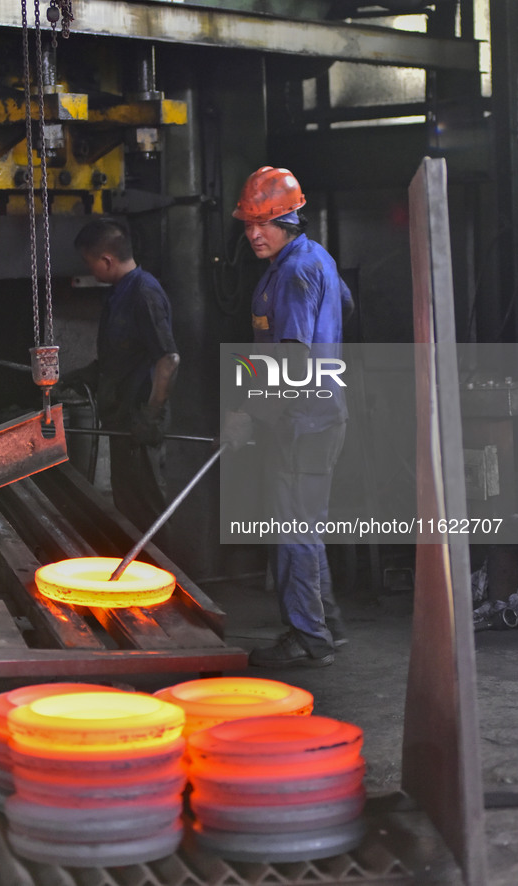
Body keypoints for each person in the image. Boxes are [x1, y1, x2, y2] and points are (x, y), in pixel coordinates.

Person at [222, 166, 353, 669]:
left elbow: (294, 359)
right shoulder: (308, 259)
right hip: (309, 416)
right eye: (249, 222)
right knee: (305, 527)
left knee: (295, 531)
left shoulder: (296, 272)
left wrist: (244, 412)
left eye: (266, 223)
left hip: (304, 421)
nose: (254, 233)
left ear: (291, 217)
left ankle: (309, 638)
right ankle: (329, 627)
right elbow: (342, 307)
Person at [66, 218, 179, 553]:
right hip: (122, 418)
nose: (90, 268)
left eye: (89, 262)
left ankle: (170, 587)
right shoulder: (120, 293)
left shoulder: (144, 293)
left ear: (106, 261)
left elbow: (168, 359)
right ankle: (142, 581)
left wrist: (151, 415)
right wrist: (90, 374)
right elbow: (125, 353)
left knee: (148, 511)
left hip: (139, 420)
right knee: (130, 508)